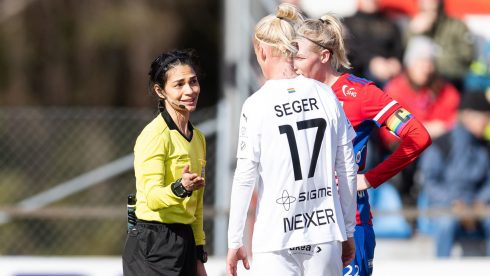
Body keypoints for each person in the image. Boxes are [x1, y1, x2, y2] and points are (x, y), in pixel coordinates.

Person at [293, 13, 431, 276]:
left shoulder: (361, 93)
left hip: (351, 222)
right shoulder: (293, 94)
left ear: (324, 56)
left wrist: (371, 178)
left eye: (299, 57)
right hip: (305, 223)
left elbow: (418, 136)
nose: (293, 64)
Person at [226, 3, 358, 276]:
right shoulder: (325, 94)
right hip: (323, 232)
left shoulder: (256, 104)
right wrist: (347, 229)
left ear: (261, 51)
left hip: (275, 236)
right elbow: (347, 167)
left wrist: (235, 240)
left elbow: (244, 176)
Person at [122, 49, 208, 276]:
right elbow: (151, 197)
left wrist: (199, 253)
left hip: (185, 242)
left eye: (193, 82)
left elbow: (197, 206)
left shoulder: (197, 138)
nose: (189, 91)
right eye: (179, 85)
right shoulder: (154, 135)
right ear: (160, 91)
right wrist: (180, 188)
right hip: (153, 243)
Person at [418, 91, 490, 258]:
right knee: (446, 223)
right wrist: (454, 202)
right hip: (446, 205)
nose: (486, 122)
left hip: (478, 205)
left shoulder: (485, 147)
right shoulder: (443, 143)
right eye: (484, 117)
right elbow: (429, 181)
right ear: (467, 116)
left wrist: (481, 200)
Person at [407, 0, 475, 91]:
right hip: (423, 79)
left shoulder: (457, 26)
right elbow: (408, 55)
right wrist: (413, 32)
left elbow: (467, 56)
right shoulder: (416, 27)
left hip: (451, 78)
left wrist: (436, 63)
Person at [343, 0, 404, 88]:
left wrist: (395, 60)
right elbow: (350, 48)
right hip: (359, 70)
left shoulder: (390, 24)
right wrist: (371, 61)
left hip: (387, 70)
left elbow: (398, 48)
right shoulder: (348, 22)